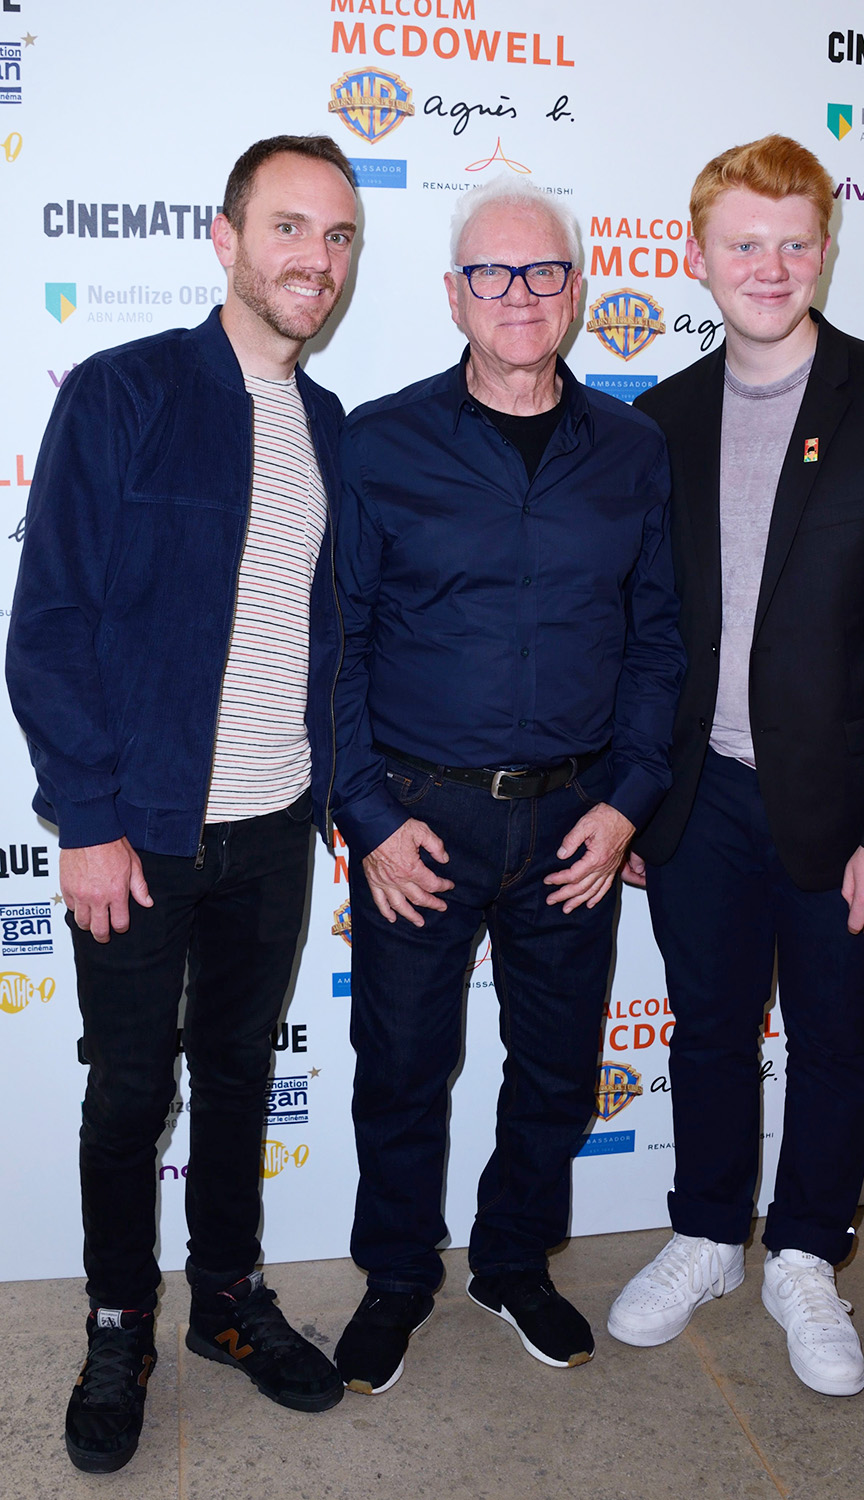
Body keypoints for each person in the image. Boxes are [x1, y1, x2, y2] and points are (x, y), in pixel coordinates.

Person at [6, 134, 359, 1472]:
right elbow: (46, 632)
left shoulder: (329, 425)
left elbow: (321, 632)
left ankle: (224, 1302)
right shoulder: (122, 393)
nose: (314, 259)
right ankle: (116, 1321)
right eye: (288, 228)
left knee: (235, 1074)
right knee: (126, 1092)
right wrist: (88, 823)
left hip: (274, 827)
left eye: (335, 237)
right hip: (137, 837)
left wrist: (333, 793)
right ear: (226, 239)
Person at [607, 135, 864, 1397]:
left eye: (794, 241)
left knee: (830, 1044)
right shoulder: (654, 420)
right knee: (707, 1032)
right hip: (699, 800)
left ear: (827, 246)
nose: (769, 266)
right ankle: (710, 1232)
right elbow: (645, 634)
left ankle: (807, 1257)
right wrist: (641, 806)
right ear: (696, 256)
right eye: (742, 243)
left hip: (846, 812)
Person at [331, 177, 685, 1394]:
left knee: (551, 1063)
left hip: (575, 822)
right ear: (453, 295)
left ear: (578, 290)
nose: (520, 295)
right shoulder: (378, 442)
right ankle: (393, 1276)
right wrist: (367, 817)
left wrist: (627, 800)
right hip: (418, 817)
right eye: (493, 273)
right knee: (402, 1061)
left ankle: (514, 1262)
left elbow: (656, 648)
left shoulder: (633, 451)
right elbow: (337, 648)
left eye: (543, 273)